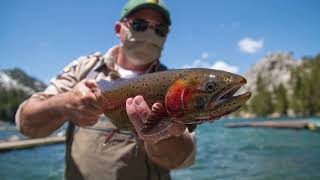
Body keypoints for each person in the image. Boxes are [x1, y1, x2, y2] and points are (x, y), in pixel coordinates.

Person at [15, 0, 196, 180]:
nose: (150, 33)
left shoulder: (178, 86)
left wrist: (165, 135)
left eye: (160, 29)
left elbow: (183, 160)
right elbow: (26, 124)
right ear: (119, 29)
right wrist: (64, 103)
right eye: (139, 24)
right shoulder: (85, 68)